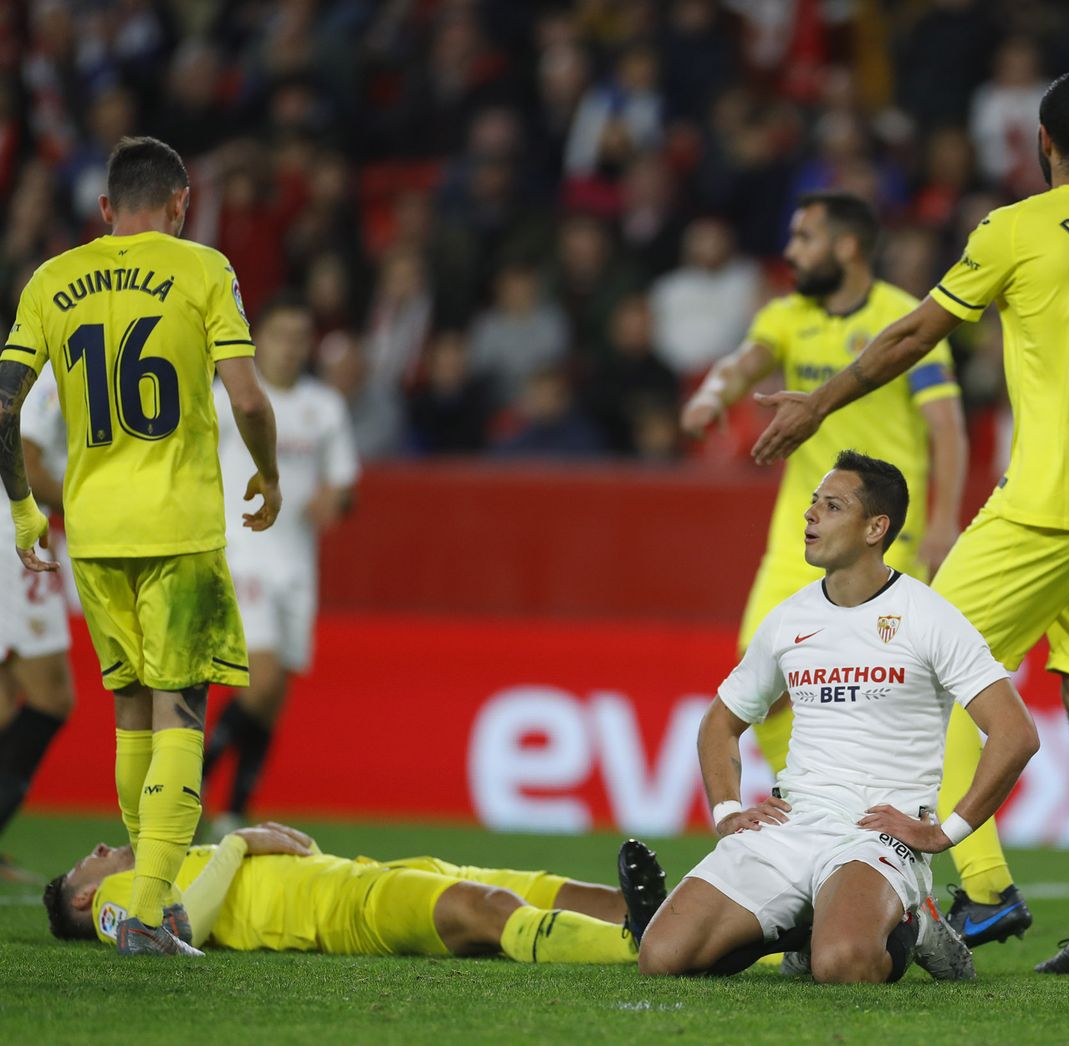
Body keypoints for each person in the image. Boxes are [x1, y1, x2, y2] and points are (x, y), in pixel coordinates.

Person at [753, 70, 1069, 977]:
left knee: (930, 666)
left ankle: (988, 891)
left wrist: (822, 402)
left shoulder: (1016, 229)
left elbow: (917, 335)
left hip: (1045, 501)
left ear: (1042, 141)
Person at [0, 135, 282, 957]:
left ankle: (139, 891)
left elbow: (4, 401)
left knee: (130, 711)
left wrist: (22, 508)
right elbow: (250, 400)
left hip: (92, 532)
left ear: (104, 209)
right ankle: (153, 906)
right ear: (180, 203)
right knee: (180, 707)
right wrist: (269, 473)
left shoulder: (52, 280)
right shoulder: (203, 270)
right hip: (177, 529)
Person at [638, 451, 1039, 984]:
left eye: (832, 506)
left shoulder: (929, 616)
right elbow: (720, 723)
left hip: (878, 833)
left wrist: (944, 833)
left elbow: (1015, 734)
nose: (811, 516)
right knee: (662, 956)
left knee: (843, 964)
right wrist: (727, 811)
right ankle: (799, 925)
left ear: (876, 527)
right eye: (812, 504)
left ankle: (914, 923)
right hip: (794, 821)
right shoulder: (788, 619)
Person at [681, 191, 968, 779]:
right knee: (755, 680)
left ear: (846, 246)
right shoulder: (787, 317)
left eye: (804, 239)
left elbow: (947, 427)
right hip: (799, 539)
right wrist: (714, 395)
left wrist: (943, 522)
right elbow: (743, 362)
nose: (790, 253)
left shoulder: (905, 320)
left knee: (881, 695)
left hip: (881, 538)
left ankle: (883, 820)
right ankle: (810, 799)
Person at [43, 822, 669, 966]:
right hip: (343, 910)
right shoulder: (116, 901)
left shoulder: (172, 860)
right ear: (83, 901)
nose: (98, 851)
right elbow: (175, 933)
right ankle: (637, 948)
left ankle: (733, 938)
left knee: (558, 889)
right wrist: (236, 845)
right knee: (487, 908)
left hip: (367, 870)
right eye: (84, 865)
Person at [203, 294, 360, 832]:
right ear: (256, 340)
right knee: (261, 681)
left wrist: (334, 501)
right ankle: (191, 788)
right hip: (241, 556)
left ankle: (236, 812)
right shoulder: (226, 399)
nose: (290, 348)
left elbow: (344, 483)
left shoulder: (324, 407)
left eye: (299, 337)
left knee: (274, 698)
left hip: (298, 565)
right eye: (279, 335)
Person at [0, 362, 75, 881]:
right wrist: (96, 504)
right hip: (15, 530)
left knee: (6, 699)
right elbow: (26, 456)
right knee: (51, 694)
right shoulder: (52, 372)